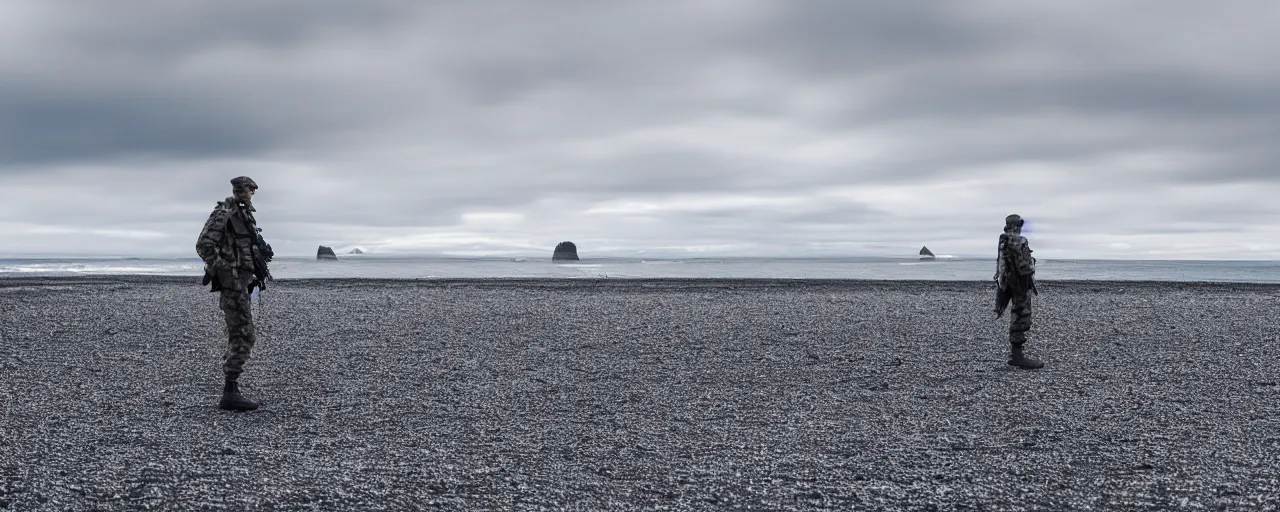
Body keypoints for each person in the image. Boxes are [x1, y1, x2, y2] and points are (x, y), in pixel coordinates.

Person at [196, 176, 271, 410]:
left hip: (242, 284)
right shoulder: (224, 213)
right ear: (242, 189)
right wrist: (225, 270)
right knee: (244, 334)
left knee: (239, 333)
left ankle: (232, 388)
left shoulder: (243, 214)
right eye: (250, 188)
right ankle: (230, 390)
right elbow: (204, 245)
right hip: (233, 285)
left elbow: (243, 247)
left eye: (252, 189)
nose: (252, 192)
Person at [994, 214, 1044, 369]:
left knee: (1018, 314)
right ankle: (1017, 356)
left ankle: (1016, 354)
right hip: (1019, 285)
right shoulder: (1017, 240)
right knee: (1021, 315)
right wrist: (1030, 266)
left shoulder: (1004, 240)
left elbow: (1003, 264)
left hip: (1008, 283)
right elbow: (1024, 267)